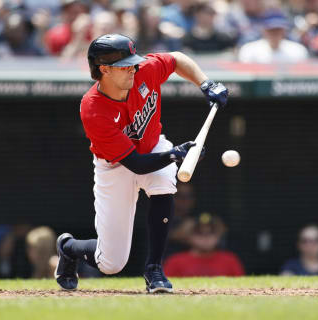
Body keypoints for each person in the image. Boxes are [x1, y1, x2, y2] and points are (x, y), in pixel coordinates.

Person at [54, 33, 228, 293]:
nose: (134, 69)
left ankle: (154, 269)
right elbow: (135, 164)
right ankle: (69, 248)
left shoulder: (143, 71)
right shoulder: (93, 108)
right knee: (111, 263)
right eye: (126, 66)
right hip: (116, 166)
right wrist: (176, 154)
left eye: (134, 62)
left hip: (153, 143)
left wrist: (206, 84)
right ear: (104, 69)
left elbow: (177, 59)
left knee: (164, 183)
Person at [164, 213, 244, 277]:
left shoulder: (230, 261)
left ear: (218, 236)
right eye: (199, 233)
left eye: (211, 233)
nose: (205, 238)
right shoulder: (175, 261)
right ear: (189, 236)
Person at [238, 10, 308, 63]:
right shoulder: (249, 50)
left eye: (278, 30)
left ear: (284, 31)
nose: (275, 33)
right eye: (271, 30)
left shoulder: (298, 51)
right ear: (264, 30)